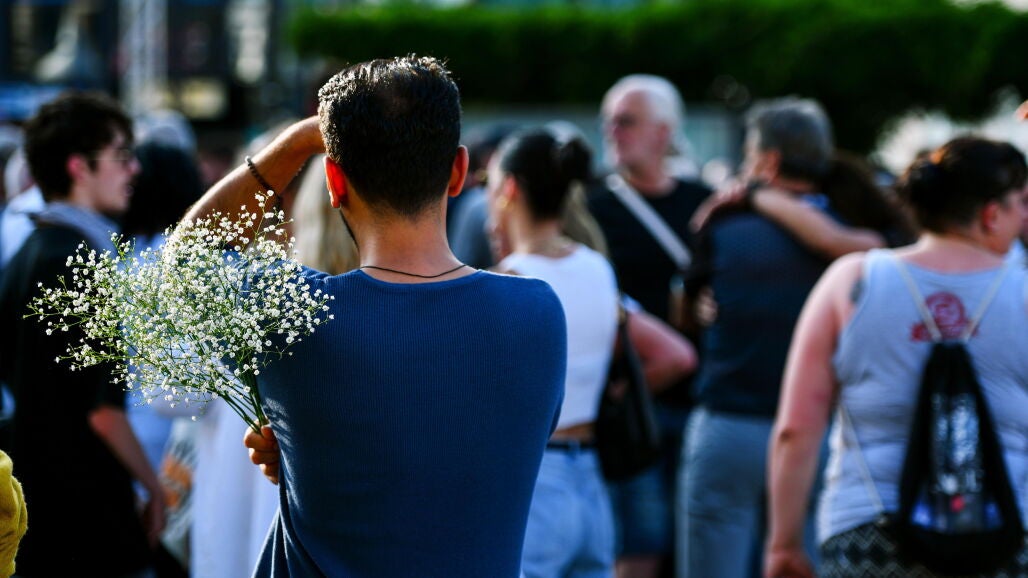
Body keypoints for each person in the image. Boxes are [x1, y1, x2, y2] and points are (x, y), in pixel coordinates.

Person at [184, 56, 566, 577]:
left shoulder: (295, 315)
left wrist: (297, 142)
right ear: (458, 171)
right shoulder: (537, 314)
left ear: (334, 182)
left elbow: (188, 259)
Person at [766, 136, 1028, 578]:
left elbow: (796, 429)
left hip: (867, 532)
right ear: (991, 214)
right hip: (1004, 533)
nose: (1024, 217)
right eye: (1020, 202)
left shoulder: (851, 282)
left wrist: (784, 544)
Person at [0, 91, 165, 577]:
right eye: (121, 156)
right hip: (89, 516)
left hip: (37, 507)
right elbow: (104, 413)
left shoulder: (30, 250)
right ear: (79, 167)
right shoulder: (79, 260)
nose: (133, 169)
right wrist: (154, 487)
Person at [676, 98, 841, 578]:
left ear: (768, 161)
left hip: (731, 422)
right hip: (818, 431)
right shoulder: (852, 230)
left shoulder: (725, 223)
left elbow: (684, 313)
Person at [587, 74, 711, 578]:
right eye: (609, 121)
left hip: (698, 401)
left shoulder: (704, 204)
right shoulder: (592, 207)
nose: (612, 131)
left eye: (626, 121)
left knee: (694, 547)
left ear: (664, 132)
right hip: (631, 402)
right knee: (637, 546)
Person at [486, 128, 620, 577]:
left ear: (509, 190)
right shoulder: (598, 268)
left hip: (536, 480)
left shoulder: (507, 282)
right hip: (591, 478)